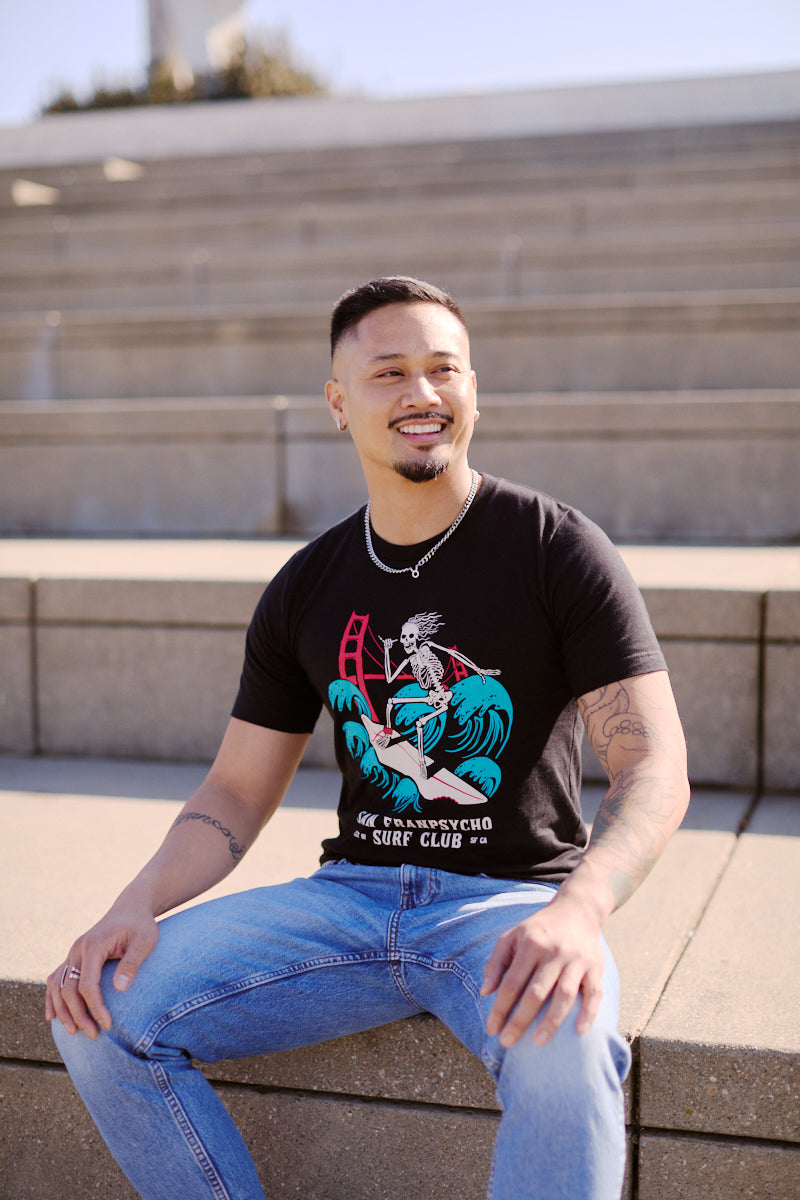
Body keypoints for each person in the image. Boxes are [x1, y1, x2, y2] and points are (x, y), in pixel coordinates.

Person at [47, 276, 690, 1200]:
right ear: (339, 404)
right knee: (97, 1008)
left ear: (474, 391)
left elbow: (651, 763)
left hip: (509, 904)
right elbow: (235, 791)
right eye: (389, 372)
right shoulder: (308, 585)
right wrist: (135, 902)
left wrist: (579, 914)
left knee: (568, 1039)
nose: (422, 393)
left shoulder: (556, 546)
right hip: (350, 898)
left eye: (443, 369)